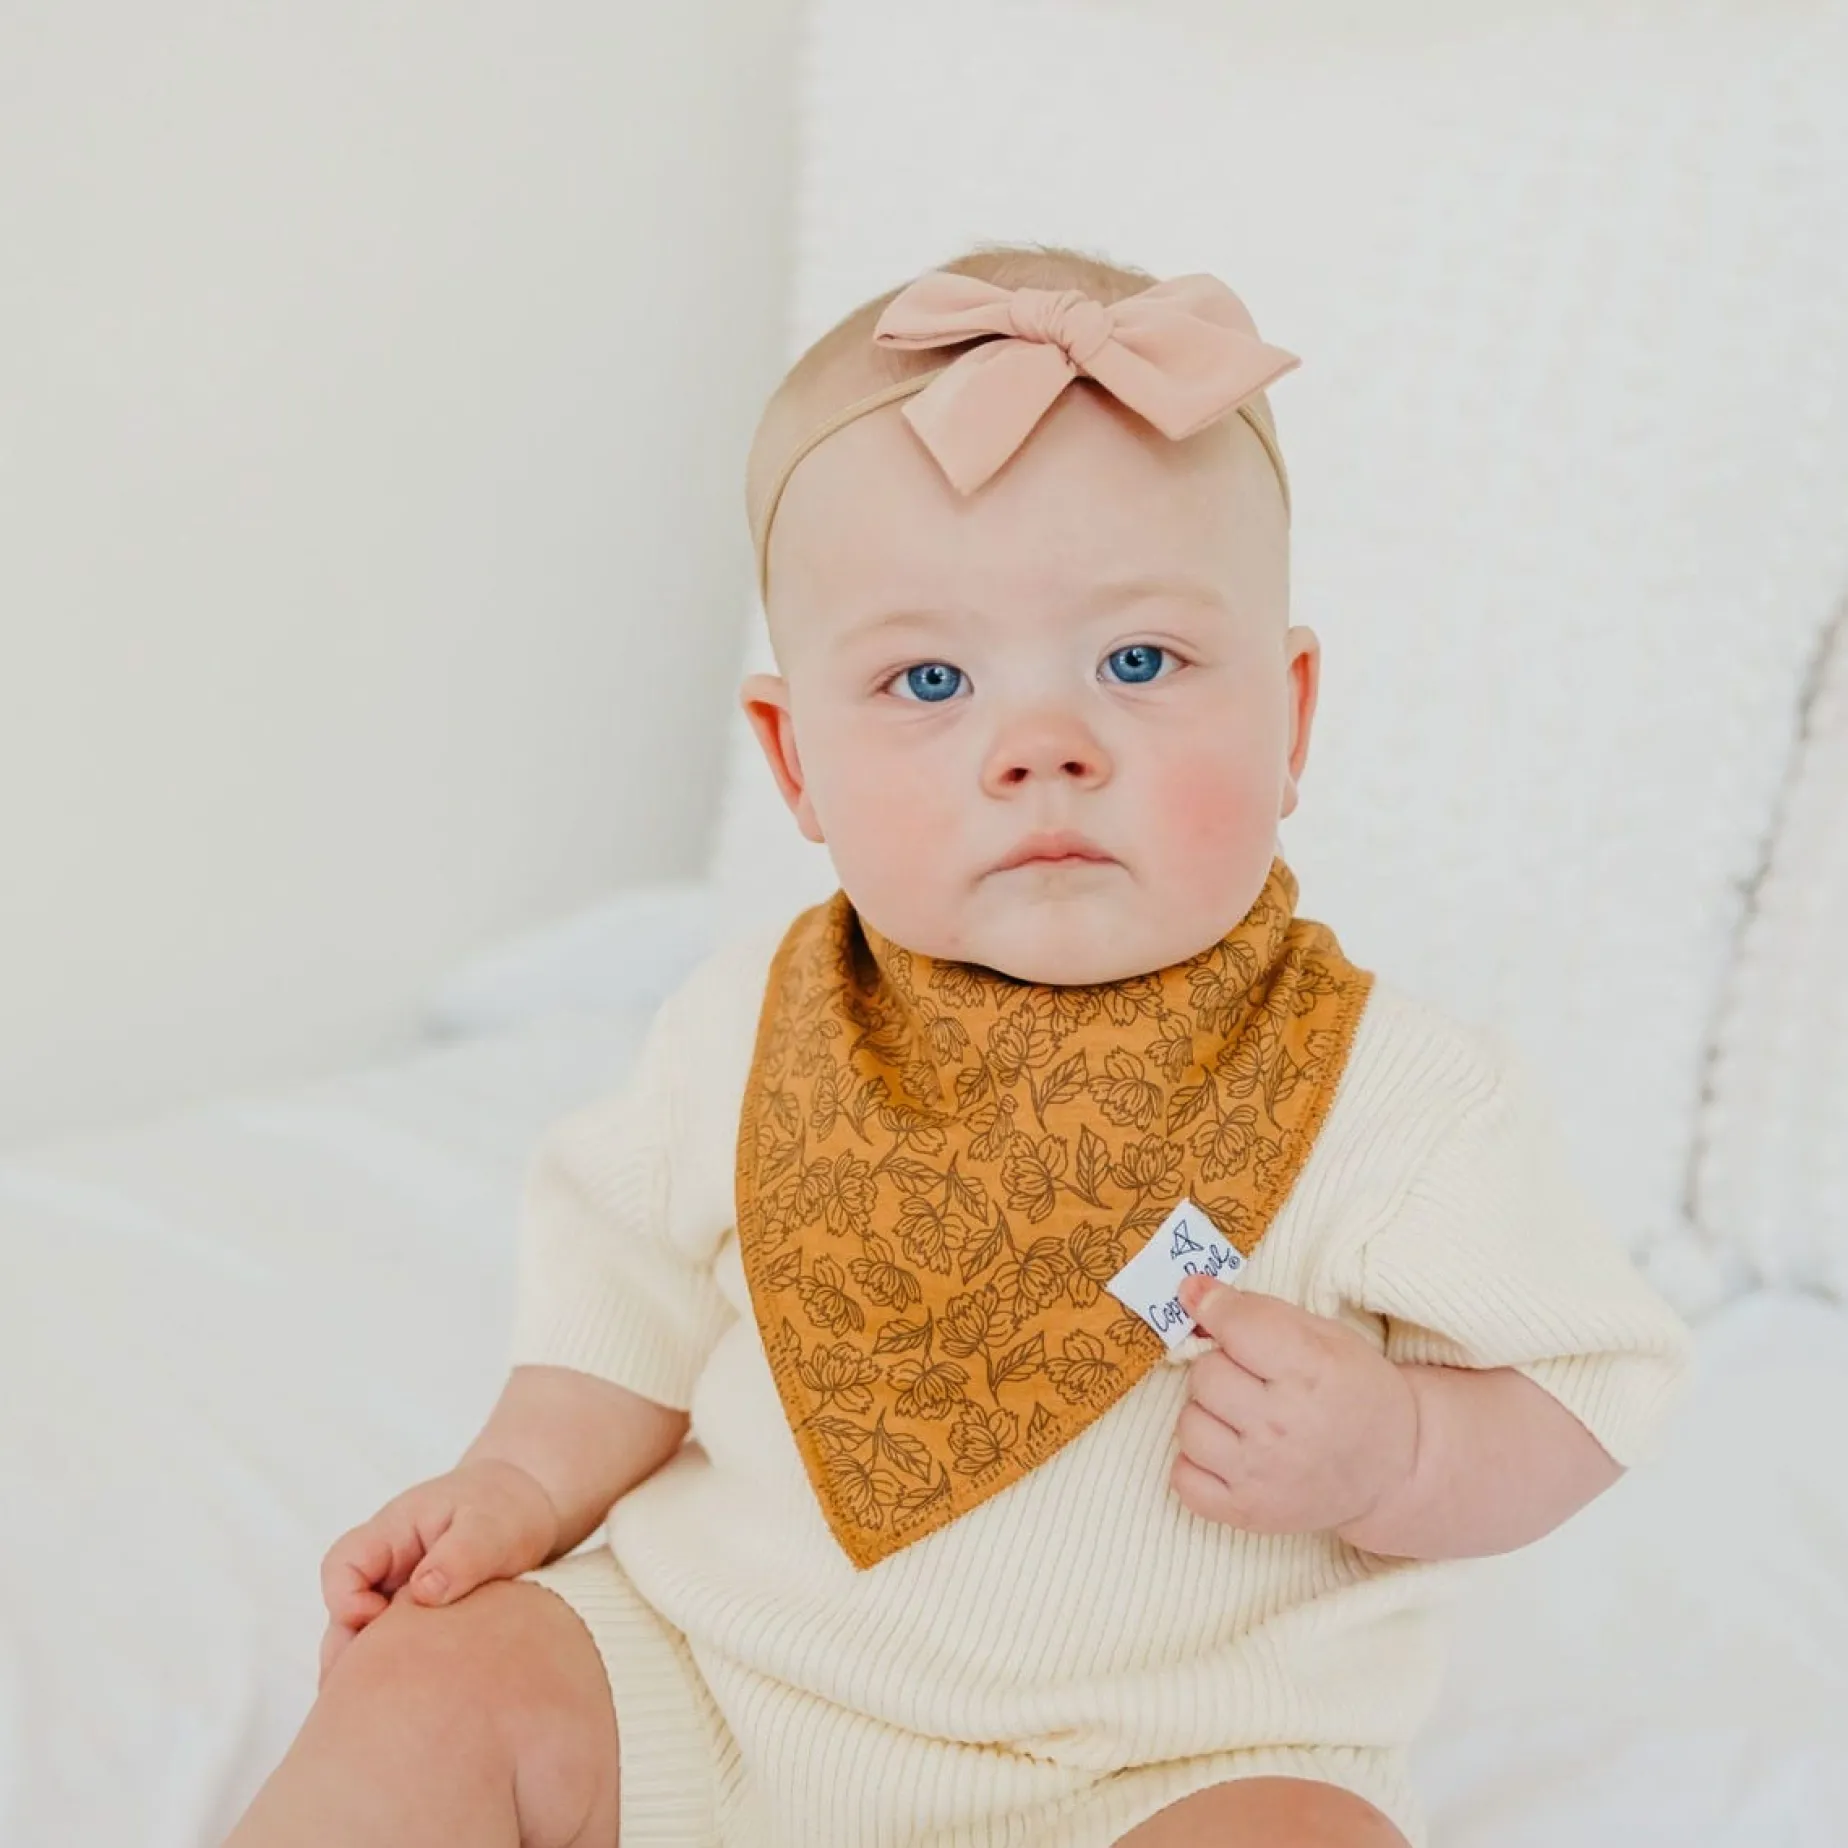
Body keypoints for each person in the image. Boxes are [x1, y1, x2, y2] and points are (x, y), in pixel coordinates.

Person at [225, 243, 1693, 1848]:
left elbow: (1585, 1390)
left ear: (1291, 717)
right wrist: (513, 1490)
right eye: (930, 679)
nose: (1042, 747)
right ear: (796, 760)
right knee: (439, 1681)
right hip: (713, 1701)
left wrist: (1399, 1450)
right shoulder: (753, 1023)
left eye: (1138, 662)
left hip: (1156, 1777)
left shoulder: (1397, 1097)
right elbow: (622, 1311)